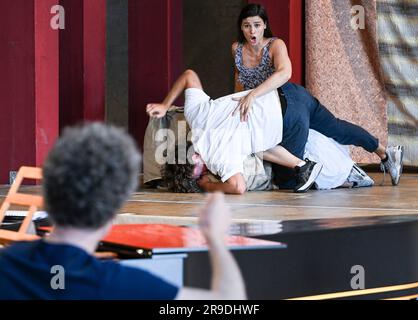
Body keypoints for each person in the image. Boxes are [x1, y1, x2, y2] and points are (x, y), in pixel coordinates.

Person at [0, 123, 246, 300]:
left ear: (49, 195)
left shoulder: (6, 264)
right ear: (112, 211)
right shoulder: (128, 285)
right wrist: (214, 237)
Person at [231, 3, 404, 189]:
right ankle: (361, 167)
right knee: (329, 133)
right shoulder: (237, 49)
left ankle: (385, 154)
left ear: (265, 25)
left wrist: (253, 95)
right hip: (277, 108)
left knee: (334, 131)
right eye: (247, 25)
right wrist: (239, 105)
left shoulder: (275, 44)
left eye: (257, 25)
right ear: (241, 28)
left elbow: (284, 73)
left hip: (291, 100)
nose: (252, 31)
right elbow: (240, 81)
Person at [147, 69, 324, 194]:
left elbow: (239, 187)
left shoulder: (215, 156)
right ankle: (303, 166)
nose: (204, 174)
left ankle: (304, 167)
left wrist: (210, 187)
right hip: (277, 94)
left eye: (199, 173)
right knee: (254, 147)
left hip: (286, 121)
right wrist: (165, 105)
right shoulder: (195, 116)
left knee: (286, 181)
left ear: (195, 158)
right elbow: (189, 75)